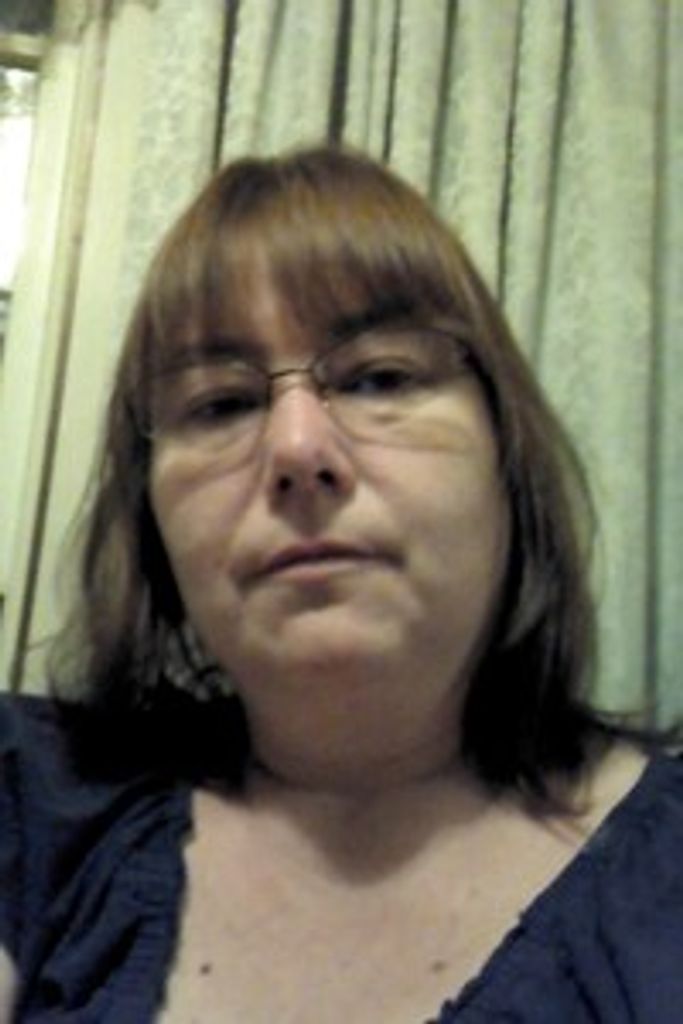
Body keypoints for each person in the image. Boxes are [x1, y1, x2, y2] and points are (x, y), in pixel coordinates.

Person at [0, 144, 681, 1023]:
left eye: (379, 377)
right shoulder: (29, 804)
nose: (296, 448)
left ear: (506, 463)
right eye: (221, 403)